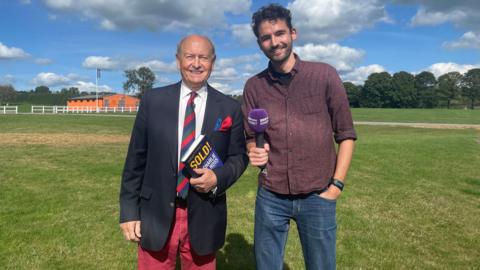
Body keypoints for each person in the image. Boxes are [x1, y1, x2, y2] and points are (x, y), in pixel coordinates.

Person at [242, 4, 357, 270]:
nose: (274, 42)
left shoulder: (324, 75)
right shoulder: (254, 86)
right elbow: (250, 135)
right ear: (259, 43)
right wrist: (253, 149)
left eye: (280, 33)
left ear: (293, 33)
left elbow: (346, 134)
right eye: (266, 37)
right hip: (271, 194)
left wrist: (336, 186)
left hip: (318, 194)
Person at [119, 34, 248, 270]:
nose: (196, 63)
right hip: (155, 212)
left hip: (205, 213)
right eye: (190, 56)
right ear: (178, 60)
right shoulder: (153, 101)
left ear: (213, 61)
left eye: (203, 57)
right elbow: (135, 159)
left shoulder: (230, 108)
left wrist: (218, 177)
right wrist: (128, 211)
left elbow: (239, 157)